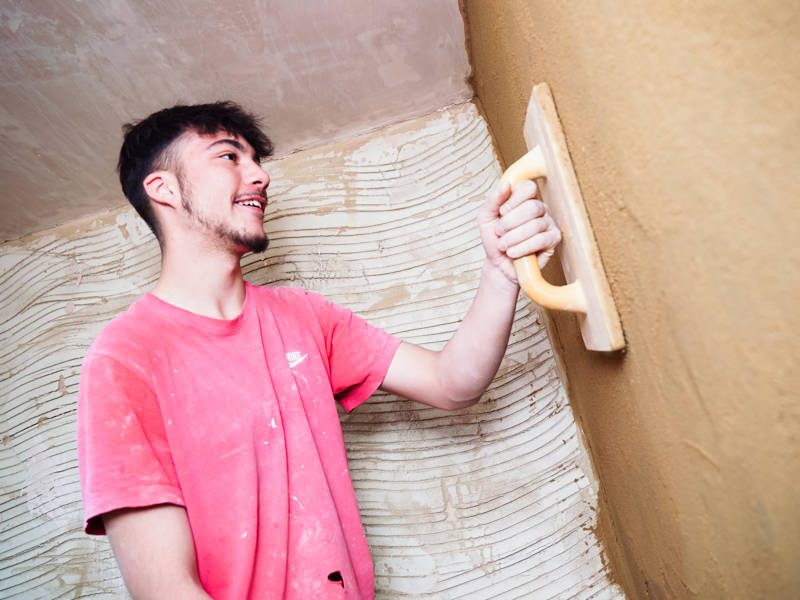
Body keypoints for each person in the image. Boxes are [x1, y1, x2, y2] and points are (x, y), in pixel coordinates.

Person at [77, 101, 560, 600]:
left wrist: (501, 272)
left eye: (256, 161)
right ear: (164, 189)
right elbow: (165, 590)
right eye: (229, 157)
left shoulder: (304, 315)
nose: (260, 176)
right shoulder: (123, 358)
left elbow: (452, 383)